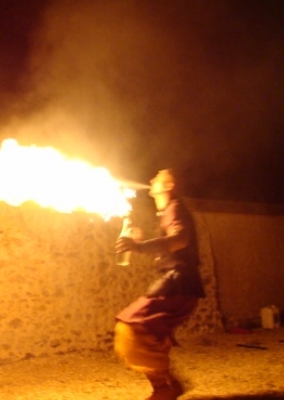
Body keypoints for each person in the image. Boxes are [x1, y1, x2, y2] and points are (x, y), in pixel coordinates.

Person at [114, 169, 206, 400]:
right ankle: (168, 386)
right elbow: (170, 244)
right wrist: (140, 243)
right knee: (149, 334)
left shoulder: (174, 208)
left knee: (132, 327)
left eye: (158, 177)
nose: (151, 180)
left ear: (169, 186)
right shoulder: (168, 211)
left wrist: (139, 247)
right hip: (178, 285)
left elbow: (180, 239)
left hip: (178, 285)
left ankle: (163, 389)